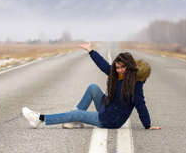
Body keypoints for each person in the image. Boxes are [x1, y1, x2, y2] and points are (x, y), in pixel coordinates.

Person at [22, 42, 161, 130]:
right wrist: (90, 51)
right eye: (117, 67)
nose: (118, 70)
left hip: (109, 120)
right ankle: (75, 121)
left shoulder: (135, 85)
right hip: (107, 107)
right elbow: (103, 65)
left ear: (129, 67)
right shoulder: (117, 75)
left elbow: (141, 105)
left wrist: (148, 125)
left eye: (122, 68)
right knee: (93, 88)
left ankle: (40, 119)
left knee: (75, 113)